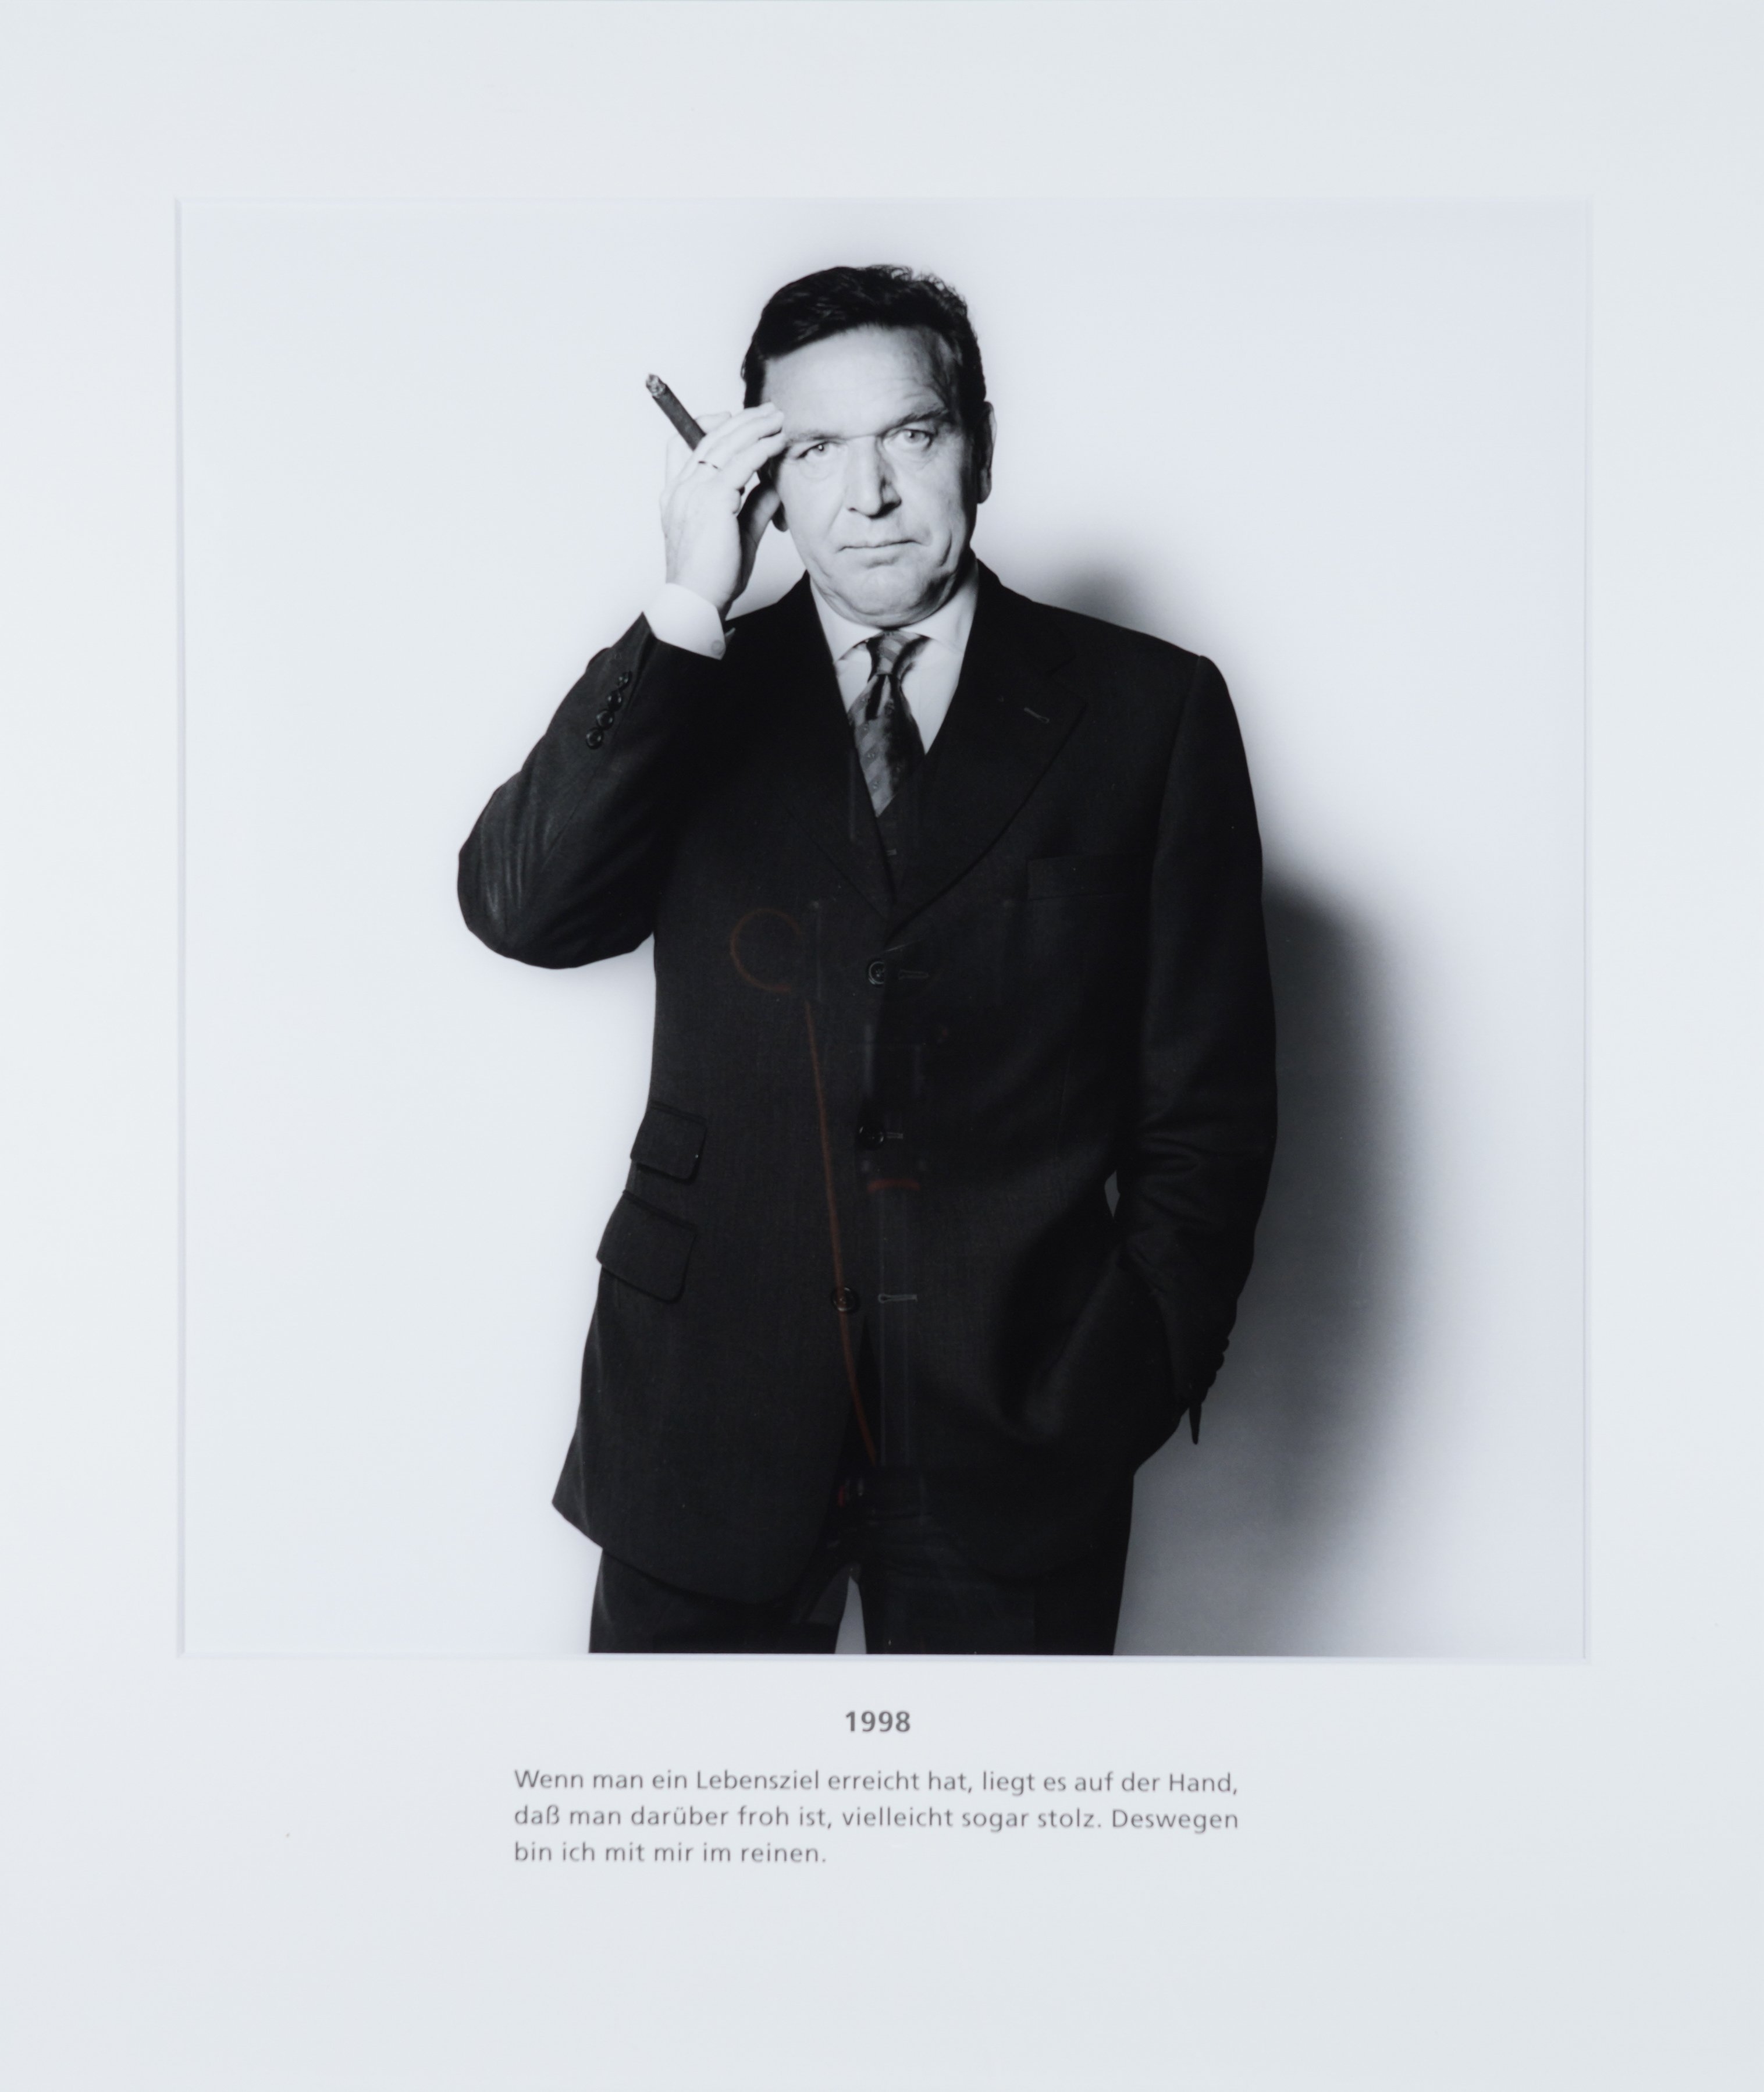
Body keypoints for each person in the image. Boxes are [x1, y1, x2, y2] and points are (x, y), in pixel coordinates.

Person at [458, 265, 1276, 1655]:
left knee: (999, 1805)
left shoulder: (1154, 710)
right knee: (672, 1800)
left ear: (980, 449)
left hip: (1022, 1423)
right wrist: (685, 602)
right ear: (762, 484)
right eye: (817, 451)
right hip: (707, 1414)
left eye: (911, 433)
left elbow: (1210, 1100)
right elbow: (524, 908)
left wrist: (1133, 1366)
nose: (871, 494)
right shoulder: (693, 688)